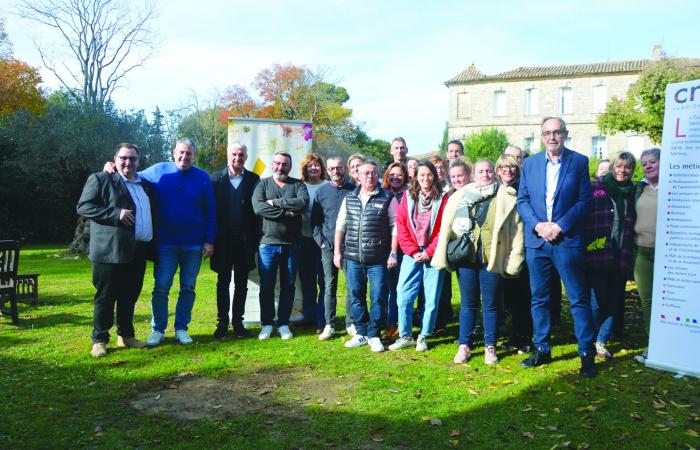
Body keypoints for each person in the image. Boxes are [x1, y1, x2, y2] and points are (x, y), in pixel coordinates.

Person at [516, 116, 597, 378]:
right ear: (542, 136)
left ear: (565, 134)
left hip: (566, 240)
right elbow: (523, 200)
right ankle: (542, 349)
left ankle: (586, 353)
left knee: (578, 298)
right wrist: (539, 226)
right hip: (537, 242)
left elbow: (585, 202)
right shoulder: (530, 164)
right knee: (539, 298)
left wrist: (559, 226)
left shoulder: (579, 162)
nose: (552, 137)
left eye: (557, 132)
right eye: (547, 133)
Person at [434, 159, 524, 364]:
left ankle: (489, 346)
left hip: (492, 258)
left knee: (491, 305)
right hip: (467, 258)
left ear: (495, 173)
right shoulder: (461, 197)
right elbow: (448, 227)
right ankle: (464, 345)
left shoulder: (506, 196)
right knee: (468, 304)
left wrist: (513, 260)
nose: (485, 174)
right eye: (481, 171)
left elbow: (516, 230)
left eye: (489, 171)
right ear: (474, 174)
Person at [78, 143, 155, 357]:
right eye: (123, 158)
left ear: (138, 161)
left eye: (132, 158)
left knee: (129, 295)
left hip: (137, 250)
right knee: (105, 296)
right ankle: (100, 340)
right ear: (115, 158)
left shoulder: (144, 184)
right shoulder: (102, 179)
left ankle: (126, 336)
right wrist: (116, 214)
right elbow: (84, 206)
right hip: (109, 251)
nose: (128, 162)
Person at [141, 138, 216, 346]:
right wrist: (110, 167)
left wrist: (209, 241)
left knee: (188, 287)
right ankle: (158, 330)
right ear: (174, 152)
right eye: (181, 152)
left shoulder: (203, 178)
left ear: (195, 155)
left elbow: (211, 211)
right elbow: (131, 175)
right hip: (165, 242)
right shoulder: (158, 171)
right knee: (161, 286)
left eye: (189, 153)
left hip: (193, 242)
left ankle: (182, 328)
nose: (185, 157)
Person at [334, 161, 399, 353]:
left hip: (378, 259)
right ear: (358, 176)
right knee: (355, 295)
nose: (369, 176)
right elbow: (341, 225)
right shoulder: (349, 198)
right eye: (365, 173)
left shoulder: (387, 197)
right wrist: (337, 252)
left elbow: (395, 226)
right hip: (353, 257)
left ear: (378, 175)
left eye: (373, 173)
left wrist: (393, 252)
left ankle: (374, 334)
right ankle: (361, 332)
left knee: (378, 296)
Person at [389, 161, 448, 352]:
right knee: (403, 294)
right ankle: (405, 335)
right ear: (416, 177)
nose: (425, 178)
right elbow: (401, 224)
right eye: (422, 175)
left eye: (429, 174)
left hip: (433, 254)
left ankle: (424, 335)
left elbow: (443, 228)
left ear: (434, 176)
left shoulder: (443, 199)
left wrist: (429, 251)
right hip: (411, 254)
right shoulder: (408, 197)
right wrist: (413, 251)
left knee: (431, 298)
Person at [585, 151, 636, 360]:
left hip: (621, 253)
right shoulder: (596, 188)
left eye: (627, 167)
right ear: (613, 167)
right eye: (619, 166)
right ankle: (589, 335)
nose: (622, 170)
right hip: (597, 253)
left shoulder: (634, 192)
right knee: (596, 301)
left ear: (632, 170)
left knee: (614, 301)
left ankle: (601, 340)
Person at [252, 152, 309, 340]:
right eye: (277, 163)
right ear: (272, 164)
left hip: (292, 245)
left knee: (289, 285)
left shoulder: (298, 184)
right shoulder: (262, 184)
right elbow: (258, 208)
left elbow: (302, 203)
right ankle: (267, 324)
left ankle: (284, 323)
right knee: (267, 286)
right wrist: (287, 213)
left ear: (290, 166)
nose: (280, 167)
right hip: (267, 244)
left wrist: (276, 203)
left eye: (284, 164)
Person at [210, 143, 261, 339]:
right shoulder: (215, 179)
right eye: (234, 154)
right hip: (221, 242)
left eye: (241, 155)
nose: (238, 158)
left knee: (242, 283)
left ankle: (238, 322)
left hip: (245, 241)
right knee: (222, 282)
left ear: (246, 157)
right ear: (228, 156)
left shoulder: (253, 180)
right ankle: (222, 322)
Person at [312, 156, 356, 340]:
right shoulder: (321, 191)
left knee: (352, 286)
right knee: (329, 286)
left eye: (338, 168)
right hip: (328, 247)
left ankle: (350, 322)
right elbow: (315, 221)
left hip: (351, 246)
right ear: (327, 171)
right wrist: (321, 242)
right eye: (331, 169)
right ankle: (329, 324)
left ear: (344, 168)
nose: (335, 172)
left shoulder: (354, 190)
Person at [494, 155, 532, 354]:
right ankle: (514, 336)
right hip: (502, 250)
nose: (508, 170)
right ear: (497, 170)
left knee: (521, 298)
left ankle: (525, 338)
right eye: (503, 166)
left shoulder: (521, 189)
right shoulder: (496, 190)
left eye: (512, 166)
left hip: (520, 248)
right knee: (508, 298)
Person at [633, 148, 660, 364]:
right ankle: (654, 345)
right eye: (644, 163)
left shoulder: (674, 187)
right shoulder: (639, 189)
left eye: (652, 162)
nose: (648, 166)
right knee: (647, 299)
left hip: (668, 254)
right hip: (642, 251)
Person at [298, 153, 327, 331]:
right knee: (307, 280)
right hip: (304, 239)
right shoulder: (299, 186)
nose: (314, 168)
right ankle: (309, 315)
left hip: (324, 241)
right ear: (305, 168)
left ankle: (322, 318)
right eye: (310, 165)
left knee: (324, 281)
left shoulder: (327, 186)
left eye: (317, 165)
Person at [382, 162, 409, 339]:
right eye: (392, 174)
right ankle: (386, 321)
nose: (395, 177)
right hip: (380, 247)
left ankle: (396, 323)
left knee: (397, 288)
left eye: (399, 174)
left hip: (402, 248)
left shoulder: (408, 194)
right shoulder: (381, 192)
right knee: (382, 288)